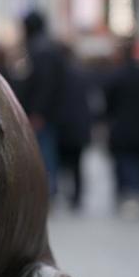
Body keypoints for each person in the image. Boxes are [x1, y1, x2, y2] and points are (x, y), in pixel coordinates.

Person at [103, 40, 139, 215]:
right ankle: (136, 191)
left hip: (121, 127)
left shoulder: (115, 76)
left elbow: (108, 103)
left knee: (123, 161)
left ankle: (126, 192)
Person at [17, 11, 65, 196]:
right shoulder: (48, 47)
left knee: (44, 152)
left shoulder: (40, 50)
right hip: (50, 112)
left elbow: (45, 84)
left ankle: (46, 190)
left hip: (42, 115)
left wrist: (38, 112)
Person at [57, 47, 93, 210]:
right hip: (79, 126)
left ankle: (64, 193)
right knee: (77, 164)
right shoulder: (83, 75)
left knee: (63, 162)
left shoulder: (59, 77)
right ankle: (77, 195)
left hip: (63, 125)